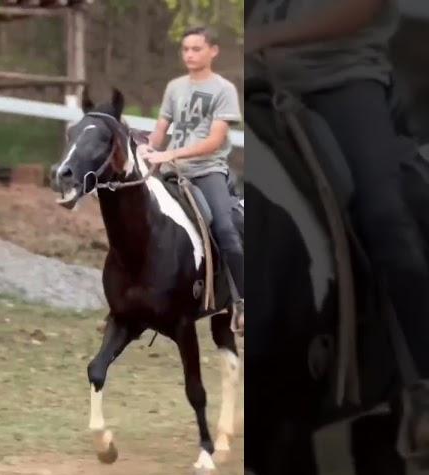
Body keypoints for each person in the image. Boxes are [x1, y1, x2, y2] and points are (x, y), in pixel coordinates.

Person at [245, 0, 429, 432]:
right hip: (259, 81)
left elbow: (358, 9)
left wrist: (266, 36)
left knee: (384, 215)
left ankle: (422, 380)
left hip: (341, 80)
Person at [141, 26, 244, 329]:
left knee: (225, 229)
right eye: (185, 49)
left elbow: (214, 141)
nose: (189, 54)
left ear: (213, 51)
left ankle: (242, 302)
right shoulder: (174, 87)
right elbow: (161, 128)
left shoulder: (223, 90)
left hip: (208, 171)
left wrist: (169, 155)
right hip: (173, 172)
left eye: (196, 49)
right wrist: (149, 148)